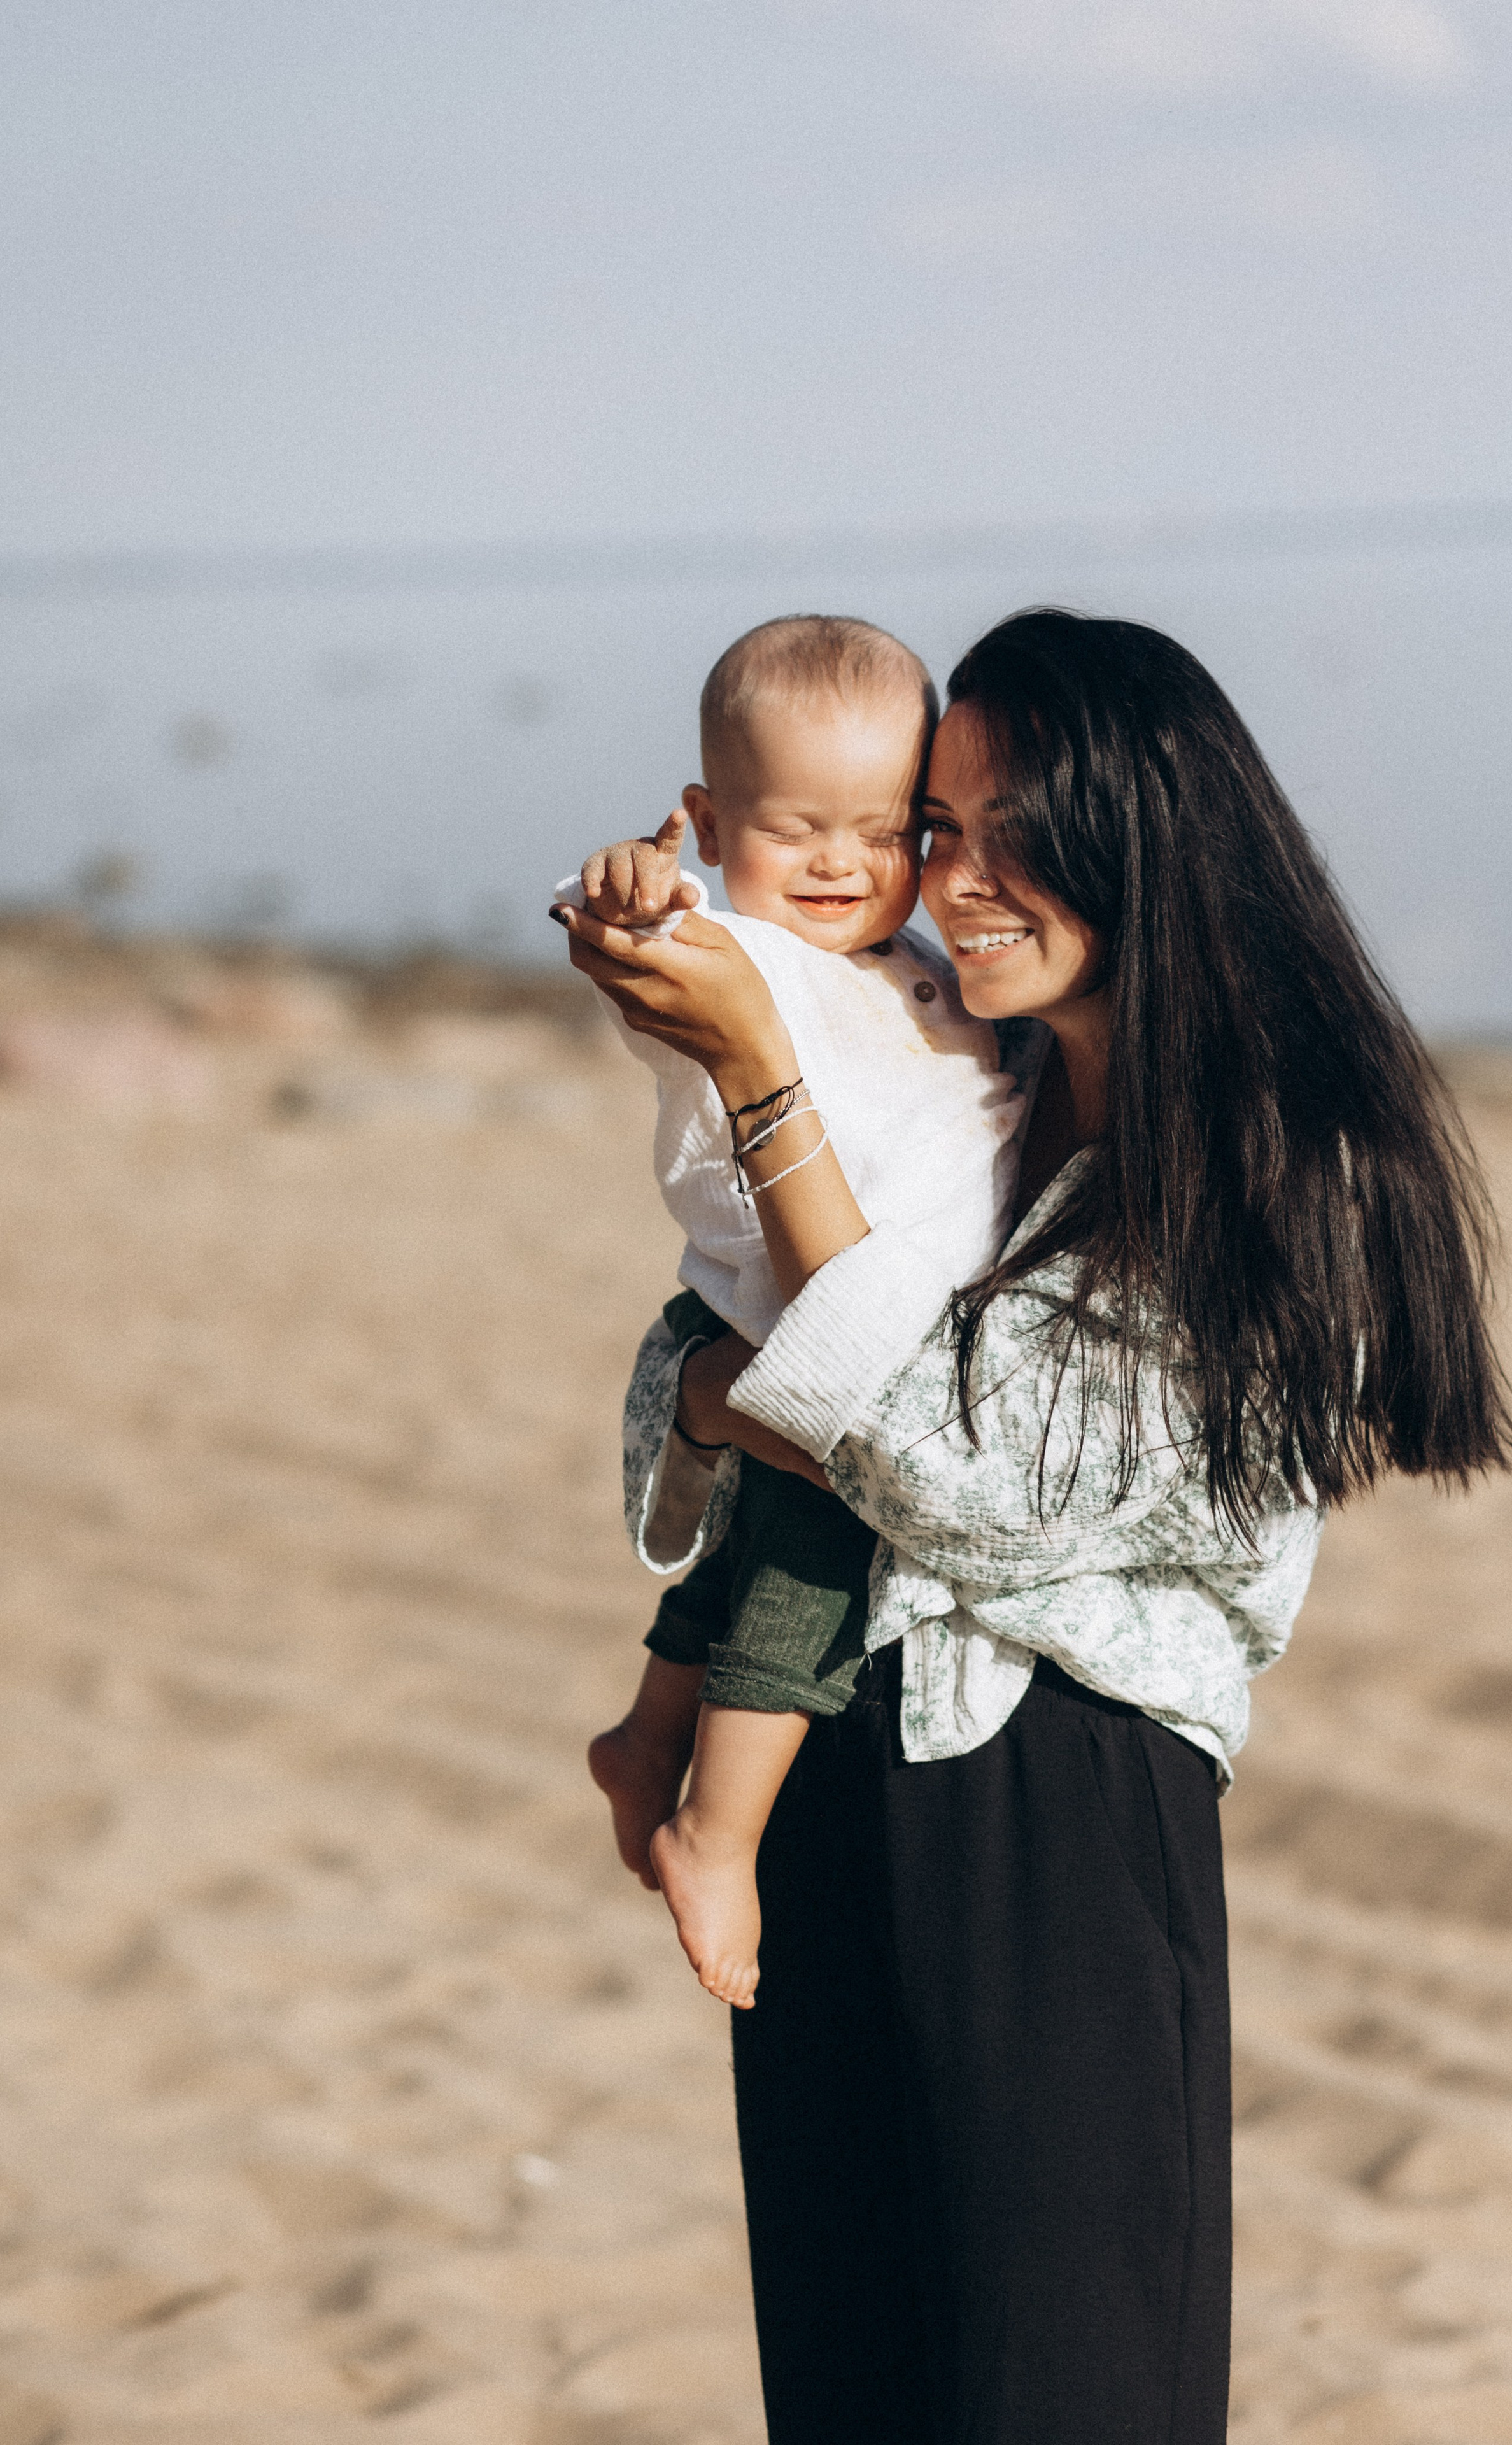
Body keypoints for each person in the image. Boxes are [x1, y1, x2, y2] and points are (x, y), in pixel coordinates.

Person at [555, 608, 1512, 2445]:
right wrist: (732, 1382)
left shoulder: (1281, 1166)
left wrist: (763, 1096)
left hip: (1057, 1817)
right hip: (832, 1768)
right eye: (944, 821)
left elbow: (962, 1482)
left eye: (1011, 829)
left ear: (1143, 839)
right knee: (854, 2390)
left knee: (1065, 2398)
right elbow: (713, 1368)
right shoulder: (955, 1091)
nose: (951, 877)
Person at [555, 614, 1027, 2007]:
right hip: (800, 1310)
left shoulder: (918, 972)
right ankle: (717, 1823)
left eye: (885, 834)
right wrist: (638, 894)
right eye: (795, 827)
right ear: (708, 821)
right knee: (819, 1544)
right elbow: (631, 958)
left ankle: (647, 1736)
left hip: (871, 1314)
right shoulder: (730, 956)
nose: (839, 865)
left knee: (751, 1530)